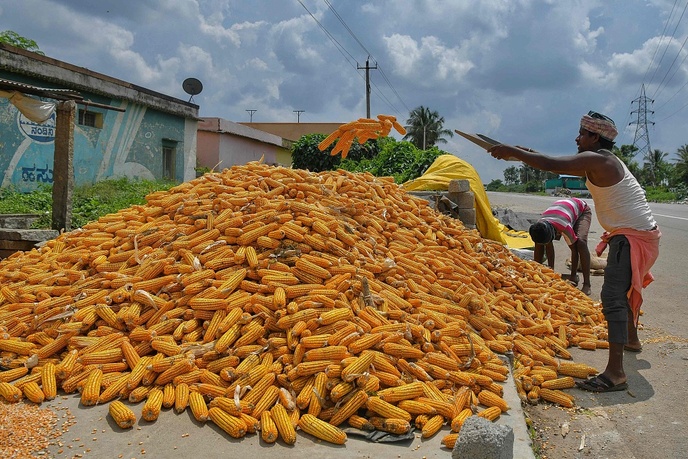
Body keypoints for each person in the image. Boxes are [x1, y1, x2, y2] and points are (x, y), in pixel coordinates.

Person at [489, 111, 661, 393]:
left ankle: (615, 373)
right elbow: (552, 161)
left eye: (582, 134)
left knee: (613, 297)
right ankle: (631, 339)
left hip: (632, 238)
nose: (577, 138)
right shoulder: (602, 160)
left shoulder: (599, 159)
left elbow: (552, 165)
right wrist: (522, 153)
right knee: (624, 292)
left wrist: (513, 151)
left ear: (595, 137)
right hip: (639, 235)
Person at [529, 197, 593, 295]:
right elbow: (546, 245)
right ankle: (542, 272)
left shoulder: (564, 226)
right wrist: (547, 273)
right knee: (539, 243)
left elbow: (574, 250)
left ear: (554, 232)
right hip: (562, 211)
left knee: (580, 243)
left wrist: (572, 276)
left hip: (582, 210)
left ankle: (587, 284)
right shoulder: (539, 226)